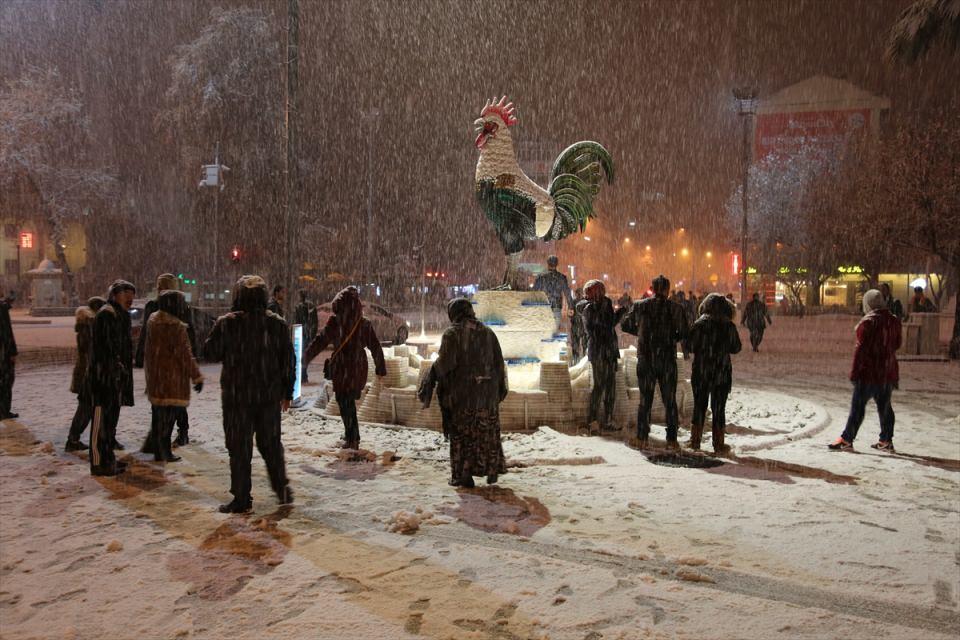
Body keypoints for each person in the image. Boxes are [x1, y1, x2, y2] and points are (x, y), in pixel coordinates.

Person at [203, 275, 295, 513]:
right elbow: (288, 361)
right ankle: (282, 489)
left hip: (237, 398)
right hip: (267, 397)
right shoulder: (276, 324)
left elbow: (210, 353)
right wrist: (287, 392)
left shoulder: (228, 323)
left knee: (239, 448)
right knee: (271, 445)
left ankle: (242, 497)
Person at [418, 298, 507, 488]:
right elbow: (499, 365)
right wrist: (497, 392)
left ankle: (462, 475)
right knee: (486, 434)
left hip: (463, 398)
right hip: (487, 396)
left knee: (462, 436)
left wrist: (431, 375)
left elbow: (445, 363)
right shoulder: (488, 332)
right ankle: (490, 468)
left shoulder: (453, 333)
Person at [304, 286, 386, 450]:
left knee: (344, 401)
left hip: (342, 367)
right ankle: (351, 435)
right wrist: (380, 368)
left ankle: (352, 437)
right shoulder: (363, 323)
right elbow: (375, 347)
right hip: (358, 367)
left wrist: (306, 357)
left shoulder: (336, 322)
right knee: (348, 401)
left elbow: (321, 341)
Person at [621, 275, 689, 449]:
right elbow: (684, 332)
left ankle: (642, 437)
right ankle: (672, 440)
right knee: (670, 400)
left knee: (645, 399)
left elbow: (625, 325)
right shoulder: (675, 308)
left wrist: (642, 333)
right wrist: (670, 338)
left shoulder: (640, 305)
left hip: (646, 358)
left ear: (652, 289)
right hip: (667, 360)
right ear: (667, 290)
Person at [829, 289, 901, 452]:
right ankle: (886, 439)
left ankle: (847, 439)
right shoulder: (893, 321)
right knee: (885, 407)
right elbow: (897, 344)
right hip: (887, 371)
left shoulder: (868, 323)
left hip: (868, 372)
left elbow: (861, 351)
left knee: (858, 407)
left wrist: (855, 373)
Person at [143, 291, 203, 463]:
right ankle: (164, 451)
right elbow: (185, 355)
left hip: (157, 377)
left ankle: (158, 449)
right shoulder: (175, 327)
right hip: (172, 379)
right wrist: (196, 377)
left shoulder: (153, 321)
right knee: (168, 419)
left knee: (158, 417)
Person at [136, 273, 195, 446]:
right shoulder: (177, 305)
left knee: (171, 399)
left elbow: (187, 332)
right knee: (166, 399)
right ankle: (165, 435)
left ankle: (173, 434)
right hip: (162, 360)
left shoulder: (164, 305)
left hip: (166, 360)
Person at [89, 280, 137, 476]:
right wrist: (113, 367)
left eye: (132, 294)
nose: (130, 298)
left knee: (110, 423)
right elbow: (104, 349)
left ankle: (108, 459)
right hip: (103, 379)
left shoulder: (120, 315)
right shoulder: (107, 314)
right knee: (101, 422)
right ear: (115, 295)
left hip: (114, 378)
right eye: (127, 294)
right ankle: (98, 463)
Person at [687, 294, 741, 454]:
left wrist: (704, 348)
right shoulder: (728, 325)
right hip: (721, 373)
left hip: (701, 372)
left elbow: (689, 346)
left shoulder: (699, 324)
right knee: (719, 409)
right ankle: (719, 444)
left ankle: (695, 441)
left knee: (699, 406)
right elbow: (736, 347)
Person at [581, 280, 629, 431]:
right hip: (601, 352)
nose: (602, 293)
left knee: (607, 386)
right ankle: (595, 420)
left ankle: (603, 420)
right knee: (602, 386)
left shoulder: (601, 304)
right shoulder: (591, 308)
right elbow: (607, 325)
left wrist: (620, 311)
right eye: (600, 290)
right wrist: (621, 311)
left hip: (605, 351)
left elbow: (608, 323)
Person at [65, 296, 106, 451]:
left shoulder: (87, 325)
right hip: (88, 373)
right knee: (87, 408)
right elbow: (89, 350)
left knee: (88, 408)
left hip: (88, 371)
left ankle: (75, 439)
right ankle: (73, 439)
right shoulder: (89, 325)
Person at [533, 255, 575, 329]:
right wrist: (571, 307)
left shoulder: (540, 277)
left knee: (544, 329)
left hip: (544, 306)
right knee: (554, 329)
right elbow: (567, 292)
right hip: (556, 307)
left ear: (547, 263)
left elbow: (534, 292)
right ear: (557, 264)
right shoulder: (561, 277)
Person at [0, 286, 17, 420]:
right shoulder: (2, 309)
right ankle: (4, 410)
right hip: (4, 352)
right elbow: (7, 333)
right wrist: (12, 351)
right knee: (6, 381)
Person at [294, 289, 318, 383]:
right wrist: (312, 333)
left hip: (302, 333)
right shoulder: (311, 306)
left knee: (302, 354)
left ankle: (302, 374)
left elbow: (297, 321)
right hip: (307, 333)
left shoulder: (299, 307)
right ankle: (303, 374)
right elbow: (315, 321)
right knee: (305, 354)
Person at [569, 288, 587, 363]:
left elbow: (570, 314)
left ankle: (576, 359)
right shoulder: (586, 302)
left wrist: (572, 317)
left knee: (576, 344)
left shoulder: (573, 302)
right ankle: (584, 358)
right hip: (583, 326)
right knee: (584, 344)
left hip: (576, 326)